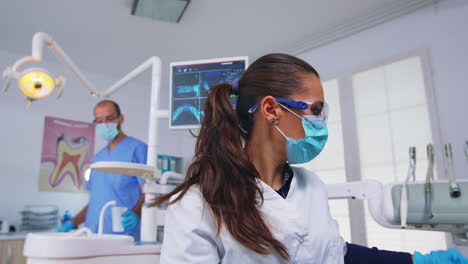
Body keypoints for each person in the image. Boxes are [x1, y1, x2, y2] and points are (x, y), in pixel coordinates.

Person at [151, 54, 468, 263]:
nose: (322, 122)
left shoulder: (310, 185)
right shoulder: (198, 204)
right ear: (272, 109)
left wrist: (420, 261)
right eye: (315, 110)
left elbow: (334, 254)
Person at [57, 100, 147, 241]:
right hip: (92, 233)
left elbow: (149, 192)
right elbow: (96, 201)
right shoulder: (98, 158)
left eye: (109, 118)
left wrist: (136, 213)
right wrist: (72, 222)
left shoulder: (137, 149)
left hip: (122, 235)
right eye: (99, 120)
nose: (104, 124)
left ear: (120, 118)